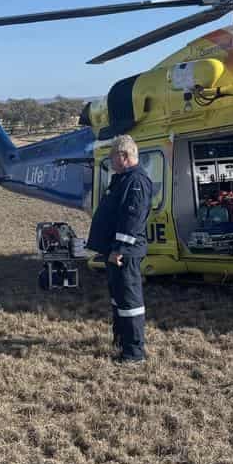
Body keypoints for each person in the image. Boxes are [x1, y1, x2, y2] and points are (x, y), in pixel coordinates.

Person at [86, 135, 154, 363]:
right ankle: (121, 340)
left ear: (124, 156)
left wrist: (120, 249)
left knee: (129, 302)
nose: (110, 161)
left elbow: (131, 219)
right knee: (118, 300)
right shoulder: (123, 179)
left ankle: (134, 354)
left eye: (112, 157)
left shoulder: (136, 181)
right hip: (113, 251)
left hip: (124, 253)